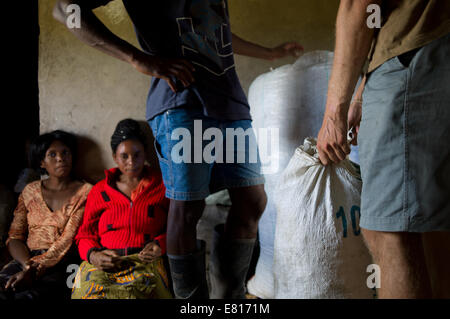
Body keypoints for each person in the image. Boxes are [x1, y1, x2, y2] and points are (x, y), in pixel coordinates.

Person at [53, 0, 303, 299]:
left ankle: (229, 299)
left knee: (252, 200)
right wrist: (137, 58)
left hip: (231, 104)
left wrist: (270, 53)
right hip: (183, 101)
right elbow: (65, 8)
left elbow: (216, 34)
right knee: (187, 208)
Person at [316, 0, 450, 298]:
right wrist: (364, 89)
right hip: (430, 50)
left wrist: (332, 115)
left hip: (415, 53)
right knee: (433, 226)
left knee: (392, 231)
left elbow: (358, 5)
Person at [72, 119, 172, 299]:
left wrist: (160, 244)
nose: (131, 162)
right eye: (124, 156)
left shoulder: (163, 186)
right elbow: (84, 235)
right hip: (104, 262)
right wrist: (93, 255)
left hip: (144, 262)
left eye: (137, 154)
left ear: (146, 154)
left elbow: (175, 229)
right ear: (114, 157)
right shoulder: (100, 190)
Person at [0, 130, 92, 300]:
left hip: (64, 263)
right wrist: (26, 266)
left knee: (31, 296)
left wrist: (33, 271)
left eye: (65, 153)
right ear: (42, 162)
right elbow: (14, 236)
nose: (60, 158)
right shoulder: (30, 191)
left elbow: (67, 241)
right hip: (26, 259)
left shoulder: (86, 192)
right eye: (52, 154)